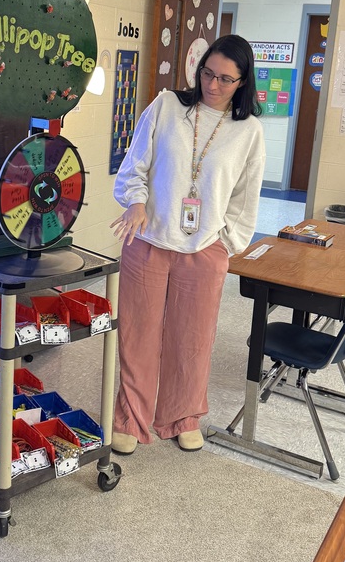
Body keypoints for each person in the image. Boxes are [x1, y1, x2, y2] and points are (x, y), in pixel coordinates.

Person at [110, 35, 266, 455]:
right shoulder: (166, 107)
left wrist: (225, 245)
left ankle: (183, 417)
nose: (212, 85)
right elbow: (133, 165)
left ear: (242, 83)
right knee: (138, 333)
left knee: (192, 340)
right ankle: (129, 418)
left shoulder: (248, 131)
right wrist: (137, 203)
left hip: (204, 250)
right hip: (148, 238)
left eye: (225, 79)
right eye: (207, 73)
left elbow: (246, 198)